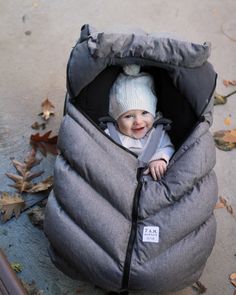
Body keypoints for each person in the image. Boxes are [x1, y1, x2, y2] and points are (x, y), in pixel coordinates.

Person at [106, 64, 175, 181]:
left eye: (144, 113)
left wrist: (160, 159)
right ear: (116, 119)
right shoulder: (110, 134)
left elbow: (167, 147)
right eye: (128, 116)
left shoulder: (157, 132)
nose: (138, 121)